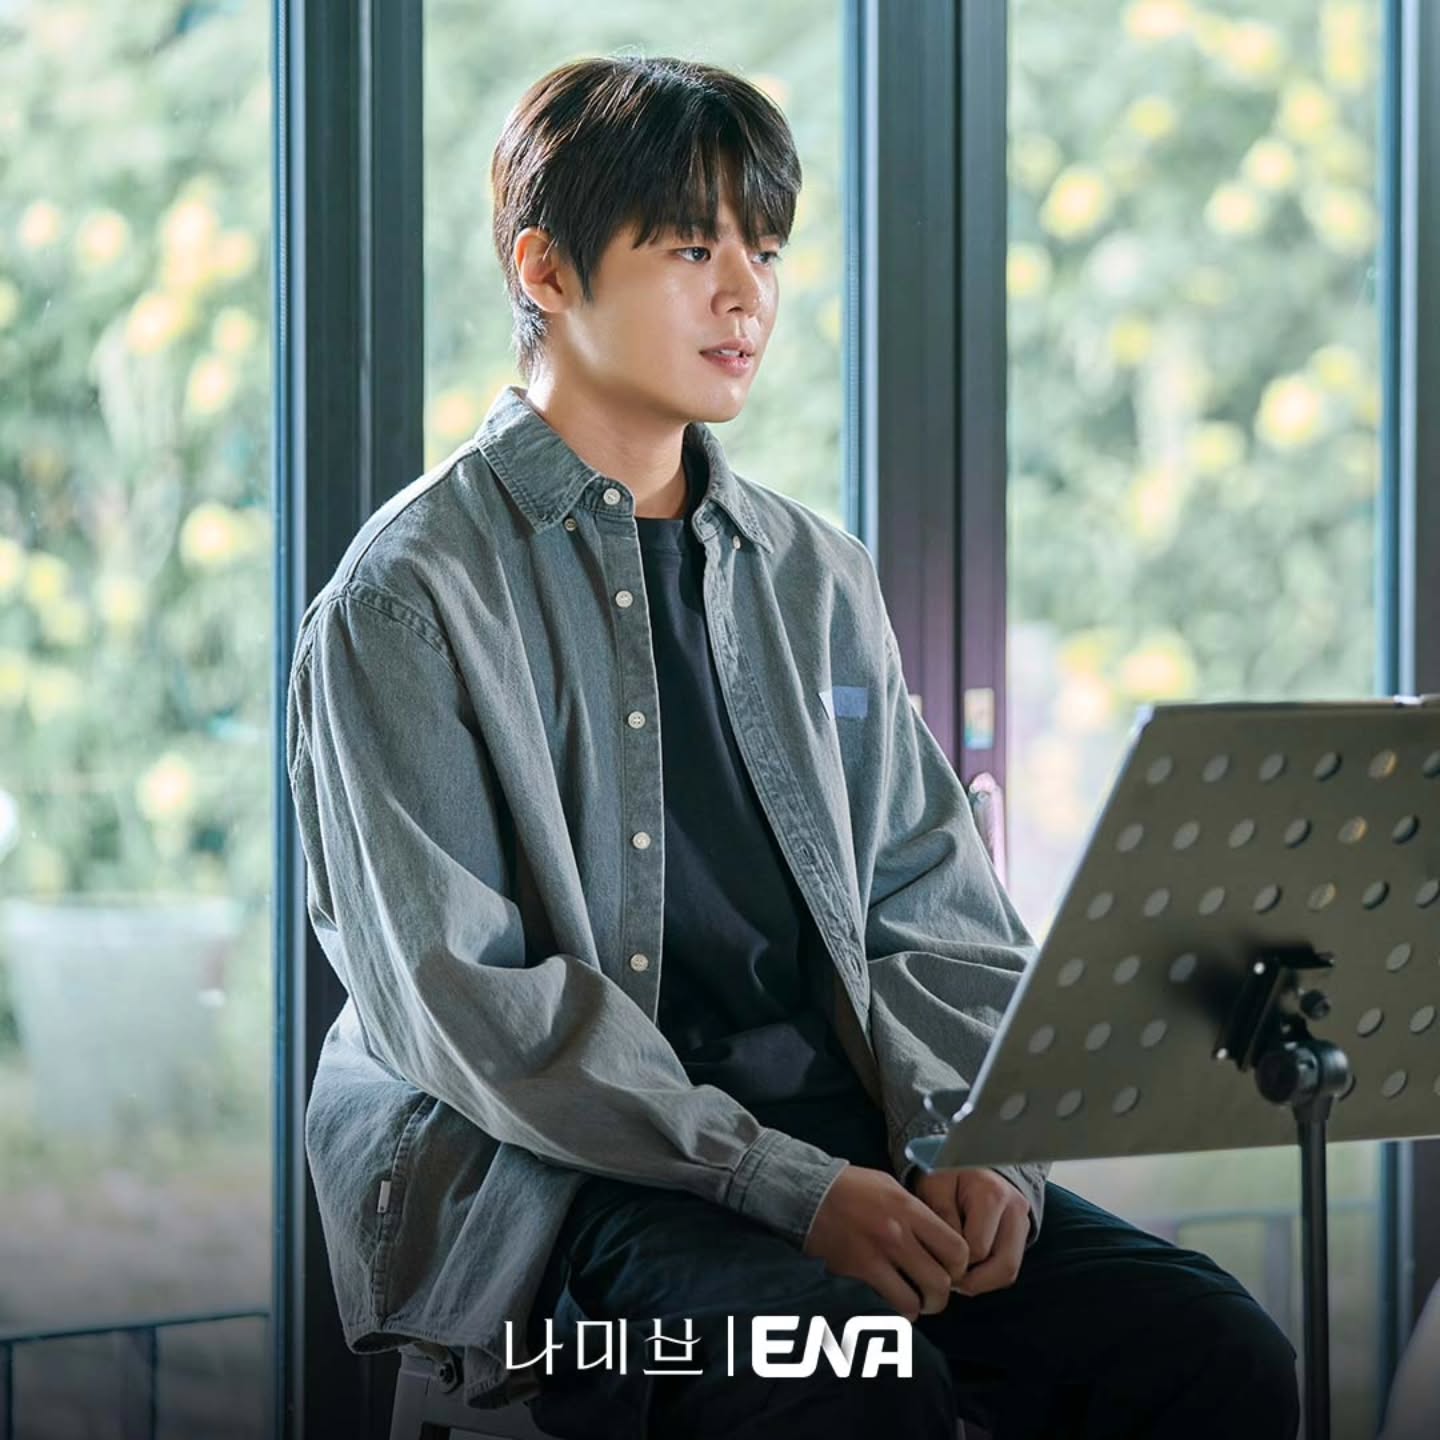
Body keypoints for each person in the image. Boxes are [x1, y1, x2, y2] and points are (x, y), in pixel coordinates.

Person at [285, 54, 1300, 1439]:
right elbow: (463, 1001)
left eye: (762, 250)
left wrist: (980, 1143)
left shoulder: (813, 572)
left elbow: (931, 898)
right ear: (546, 269)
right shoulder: (407, 599)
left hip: (850, 1139)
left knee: (1214, 1350)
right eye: (690, 249)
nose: (746, 294)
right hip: (567, 1188)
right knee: (851, 1382)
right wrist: (784, 1185)